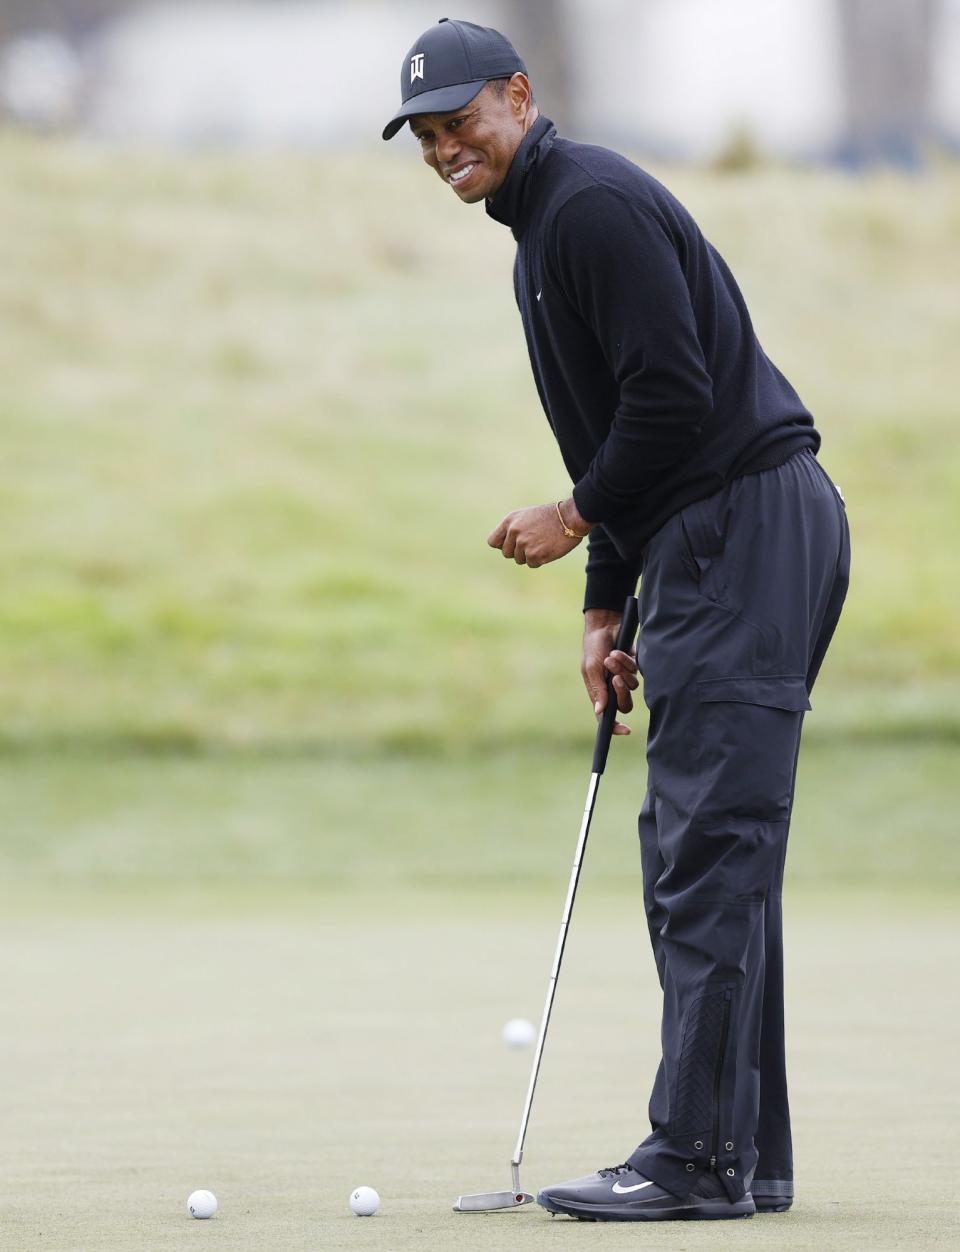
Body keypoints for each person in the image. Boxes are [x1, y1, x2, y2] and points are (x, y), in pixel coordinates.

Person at [383, 18, 851, 1223]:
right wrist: (606, 605)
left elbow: (674, 394)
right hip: (717, 530)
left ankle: (694, 1158)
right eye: (427, 138)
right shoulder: (542, 229)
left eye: (461, 123)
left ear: (520, 96)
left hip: (743, 524)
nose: (445, 151)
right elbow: (627, 433)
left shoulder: (584, 206)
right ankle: (746, 1150)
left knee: (707, 851)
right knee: (712, 849)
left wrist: (573, 516)